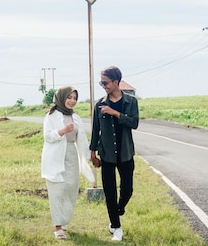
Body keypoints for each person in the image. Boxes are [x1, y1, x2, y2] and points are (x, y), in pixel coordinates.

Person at [90, 66, 139, 242]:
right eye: (101, 83)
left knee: (127, 190)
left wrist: (115, 113)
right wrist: (93, 152)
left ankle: (118, 210)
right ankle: (116, 227)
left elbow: (134, 123)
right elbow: (96, 130)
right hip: (107, 155)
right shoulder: (99, 104)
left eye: (105, 82)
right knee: (110, 192)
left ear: (116, 82)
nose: (103, 86)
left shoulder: (131, 102)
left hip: (126, 153)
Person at [41, 85, 95, 240]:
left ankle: (64, 221)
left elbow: (82, 139)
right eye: (69, 97)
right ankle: (58, 227)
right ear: (61, 97)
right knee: (57, 189)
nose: (72, 101)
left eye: (75, 98)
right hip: (55, 155)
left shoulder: (76, 117)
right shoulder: (51, 116)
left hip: (71, 153)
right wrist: (63, 131)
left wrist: (90, 156)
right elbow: (48, 137)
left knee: (71, 188)